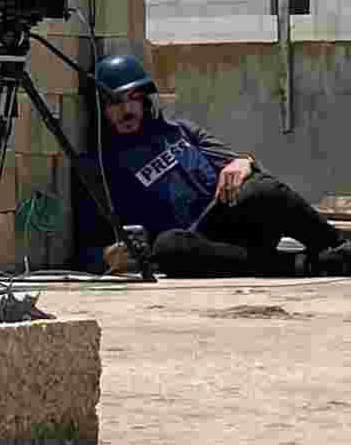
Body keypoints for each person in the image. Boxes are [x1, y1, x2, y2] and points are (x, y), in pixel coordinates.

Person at [75, 54, 351, 278]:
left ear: (145, 100)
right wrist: (109, 255)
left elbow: (240, 165)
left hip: (228, 217)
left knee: (262, 189)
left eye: (134, 98)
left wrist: (244, 163)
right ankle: (306, 265)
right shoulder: (99, 164)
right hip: (197, 245)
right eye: (116, 102)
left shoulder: (179, 131)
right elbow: (85, 250)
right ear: (101, 107)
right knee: (170, 248)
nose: (127, 110)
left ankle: (340, 247)